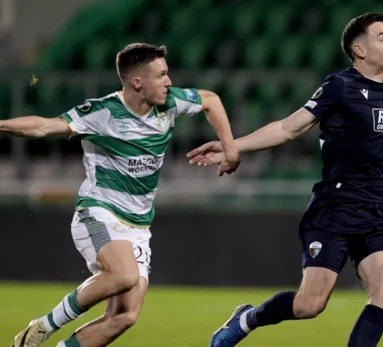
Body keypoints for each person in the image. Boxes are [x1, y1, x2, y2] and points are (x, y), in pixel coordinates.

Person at [187, 13, 383, 347]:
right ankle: (247, 318)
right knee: (309, 305)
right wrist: (232, 146)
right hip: (336, 208)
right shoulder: (340, 86)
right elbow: (289, 128)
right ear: (359, 49)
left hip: (377, 211)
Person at [6, 43, 240, 347]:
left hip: (138, 226)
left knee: (125, 316)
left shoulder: (170, 103)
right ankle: (42, 327)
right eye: (162, 75)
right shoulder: (103, 113)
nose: (169, 82)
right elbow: (42, 127)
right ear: (137, 82)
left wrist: (230, 147)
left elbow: (211, 100)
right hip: (99, 211)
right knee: (123, 275)